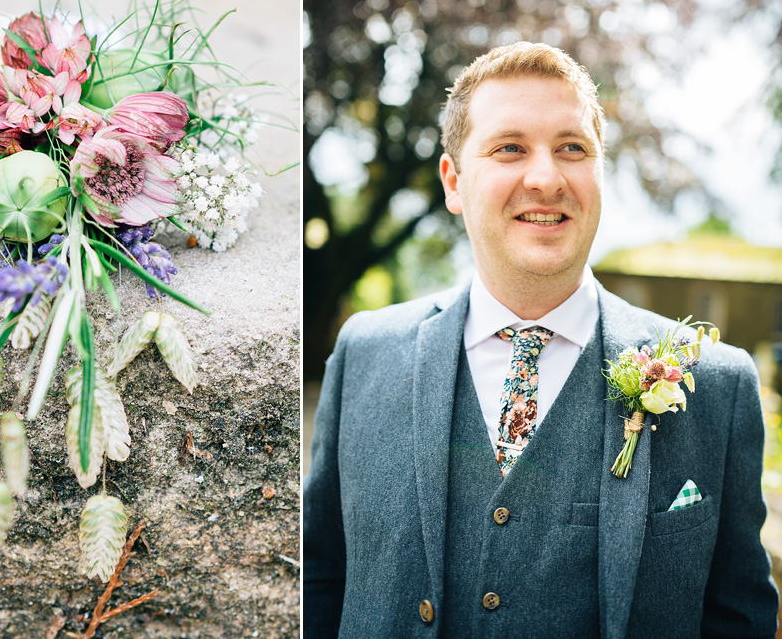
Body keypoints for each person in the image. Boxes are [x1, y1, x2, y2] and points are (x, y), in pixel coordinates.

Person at [302, 42, 779, 638]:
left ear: (599, 170)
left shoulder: (718, 386)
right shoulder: (365, 353)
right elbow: (320, 577)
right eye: (509, 148)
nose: (546, 177)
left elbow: (739, 615)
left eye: (572, 149)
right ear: (454, 182)